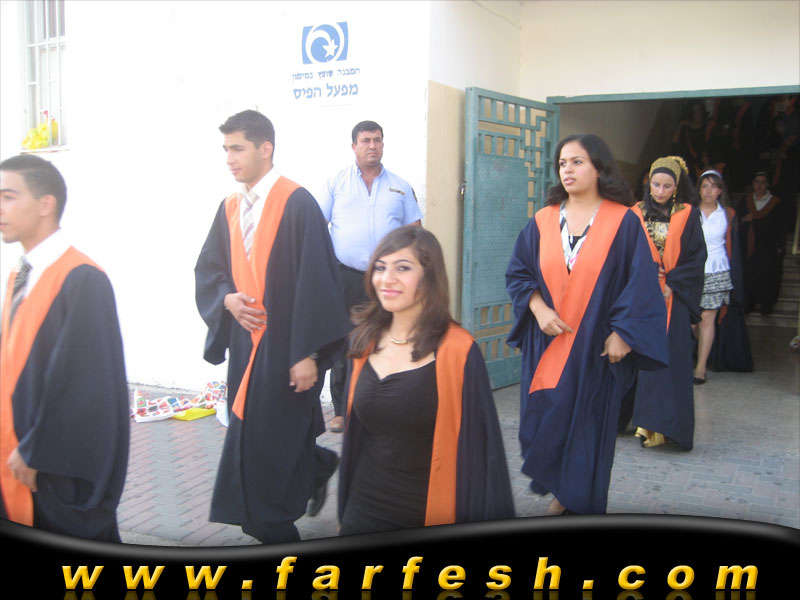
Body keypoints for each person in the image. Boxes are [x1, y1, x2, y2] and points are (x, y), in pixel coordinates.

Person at [195, 110, 350, 544]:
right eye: (226, 149)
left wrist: (309, 353)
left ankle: (274, 527)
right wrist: (226, 298)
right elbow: (210, 269)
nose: (229, 158)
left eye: (237, 148)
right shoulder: (229, 208)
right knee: (259, 430)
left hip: (287, 344)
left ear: (265, 148)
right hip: (246, 344)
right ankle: (313, 469)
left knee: (274, 433)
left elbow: (317, 281)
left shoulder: (296, 203)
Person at [506, 134, 668, 516]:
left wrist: (624, 333)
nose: (568, 170)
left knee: (587, 427)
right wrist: (539, 309)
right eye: (562, 163)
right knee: (544, 426)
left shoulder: (623, 221)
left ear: (599, 168)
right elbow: (519, 273)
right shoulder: (543, 221)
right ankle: (563, 494)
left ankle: (568, 503)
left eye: (577, 162)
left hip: (595, 348)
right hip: (547, 344)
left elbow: (641, 283)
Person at [337, 226, 514, 534]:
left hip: (428, 510)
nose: (387, 278)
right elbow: (356, 439)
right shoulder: (363, 343)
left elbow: (482, 453)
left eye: (403, 268)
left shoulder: (458, 351)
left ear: (429, 277)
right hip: (363, 507)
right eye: (380, 267)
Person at [0, 154, 129, 541]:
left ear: (46, 204)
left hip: (48, 470)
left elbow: (86, 386)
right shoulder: (21, 273)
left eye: (8, 197)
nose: (0, 207)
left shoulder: (82, 279)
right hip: (13, 451)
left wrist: (36, 449)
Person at [317, 120, 422, 434]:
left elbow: (415, 233)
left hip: (387, 280)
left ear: (383, 144)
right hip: (345, 277)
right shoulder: (335, 183)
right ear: (354, 146)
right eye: (365, 140)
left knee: (385, 339)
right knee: (344, 343)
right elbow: (317, 226)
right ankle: (341, 411)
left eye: (377, 140)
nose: (372, 146)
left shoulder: (400, 186)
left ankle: (378, 405)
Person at [630, 156, 707, 451]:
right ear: (648, 183)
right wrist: (647, 278)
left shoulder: (687, 214)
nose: (660, 191)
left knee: (668, 362)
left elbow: (697, 257)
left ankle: (665, 427)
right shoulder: (635, 212)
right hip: (641, 298)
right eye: (656, 184)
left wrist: (672, 281)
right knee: (636, 358)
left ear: (677, 187)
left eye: (667, 186)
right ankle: (634, 421)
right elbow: (625, 252)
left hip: (673, 298)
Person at [693, 169, 752, 380]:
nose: (709, 191)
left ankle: (700, 368)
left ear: (720, 190)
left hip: (717, 271)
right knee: (692, 322)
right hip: (692, 273)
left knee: (707, 318)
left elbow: (734, 246)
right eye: (704, 186)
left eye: (714, 186)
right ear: (699, 189)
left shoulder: (728, 214)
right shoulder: (689, 213)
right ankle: (703, 349)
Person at [736, 171, 783, 315]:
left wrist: (780, 245)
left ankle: (766, 305)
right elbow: (735, 221)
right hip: (748, 247)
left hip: (767, 248)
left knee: (767, 278)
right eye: (757, 181)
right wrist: (745, 219)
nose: (759, 185)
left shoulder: (775, 202)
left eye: (763, 182)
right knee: (748, 276)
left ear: (767, 184)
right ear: (753, 184)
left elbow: (780, 226)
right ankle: (748, 304)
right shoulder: (745, 201)